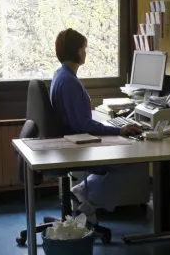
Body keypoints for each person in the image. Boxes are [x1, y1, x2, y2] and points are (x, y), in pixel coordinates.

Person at [50, 28, 151, 218]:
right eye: (84, 48)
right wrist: (118, 130)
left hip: (72, 140)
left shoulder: (61, 75)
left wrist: (114, 129)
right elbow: (84, 126)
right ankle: (87, 200)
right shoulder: (70, 82)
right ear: (76, 51)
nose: (85, 52)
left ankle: (82, 191)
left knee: (126, 157)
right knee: (130, 163)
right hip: (78, 144)